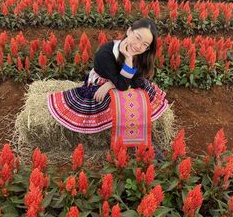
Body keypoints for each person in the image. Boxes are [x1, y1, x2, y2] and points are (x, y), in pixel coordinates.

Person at [47, 18, 168, 160]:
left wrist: (113, 81)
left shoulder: (142, 55)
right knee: (117, 105)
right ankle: (135, 147)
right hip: (100, 85)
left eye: (145, 44)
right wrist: (122, 72)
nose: (138, 45)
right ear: (129, 31)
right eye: (137, 37)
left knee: (140, 102)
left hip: (116, 83)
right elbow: (123, 85)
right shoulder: (105, 53)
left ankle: (145, 144)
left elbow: (137, 80)